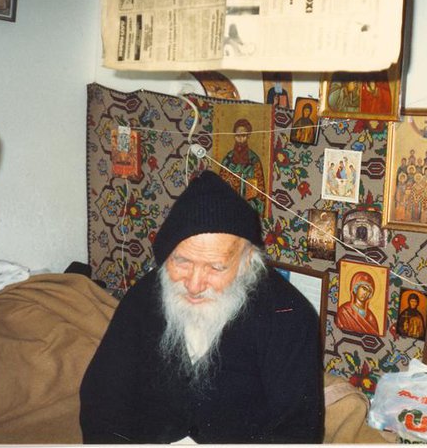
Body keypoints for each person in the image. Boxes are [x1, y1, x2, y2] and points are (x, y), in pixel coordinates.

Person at [79, 171, 324, 444]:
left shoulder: (289, 316)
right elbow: (102, 400)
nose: (194, 285)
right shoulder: (142, 298)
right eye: (182, 262)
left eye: (215, 268)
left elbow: (297, 430)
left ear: (247, 262)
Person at [220, 118, 267, 216]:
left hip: (248, 208)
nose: (240, 138)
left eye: (243, 135)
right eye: (238, 135)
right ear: (234, 135)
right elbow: (220, 184)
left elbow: (260, 189)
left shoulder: (254, 160)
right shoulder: (227, 160)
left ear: (248, 136)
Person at [335, 271, 380, 335]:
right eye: (364, 288)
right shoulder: (344, 311)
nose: (366, 293)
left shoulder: (371, 317)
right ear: (355, 288)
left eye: (369, 291)